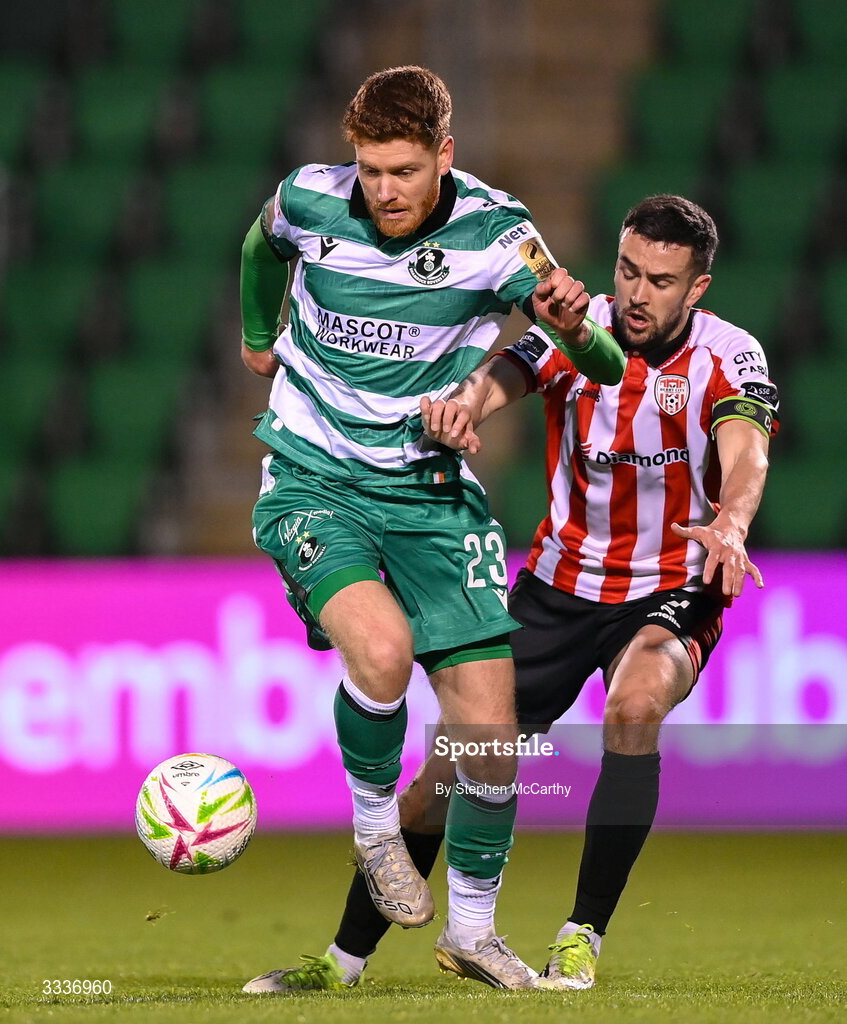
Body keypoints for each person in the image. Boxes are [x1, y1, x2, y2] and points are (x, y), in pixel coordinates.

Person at [284, 194, 779, 991]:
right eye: (627, 270)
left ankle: (581, 933)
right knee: (452, 771)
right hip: (556, 587)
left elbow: (745, 447)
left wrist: (733, 521)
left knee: (635, 703)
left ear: (698, 288)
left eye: (661, 279)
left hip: (672, 584)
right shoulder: (576, 334)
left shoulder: (730, 356)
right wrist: (461, 406)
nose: (638, 292)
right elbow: (502, 375)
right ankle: (341, 959)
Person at [237, 65, 625, 993]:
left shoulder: (502, 236)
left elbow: (602, 363)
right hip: (313, 477)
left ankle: (475, 935)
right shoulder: (308, 199)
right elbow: (260, 244)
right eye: (370, 169)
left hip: (430, 495)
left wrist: (577, 328)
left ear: (444, 155)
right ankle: (377, 835)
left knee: (488, 731)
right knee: (379, 653)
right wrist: (260, 333)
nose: (384, 191)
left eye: (404, 170)